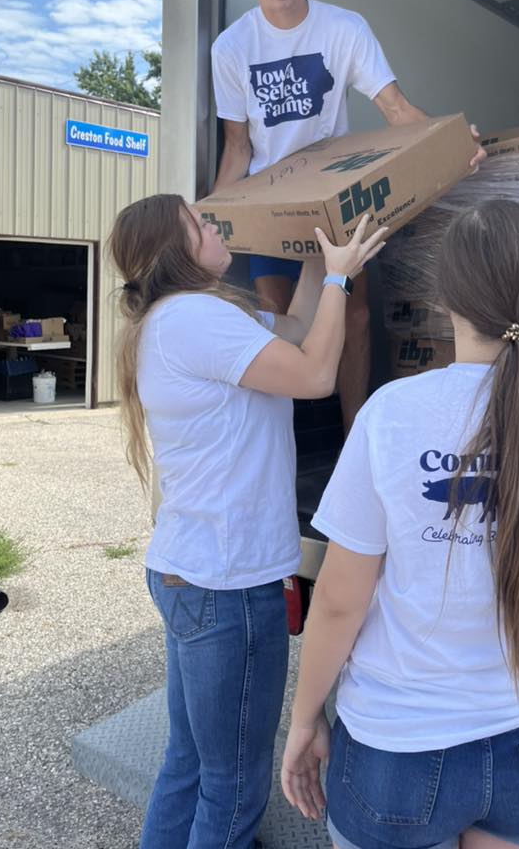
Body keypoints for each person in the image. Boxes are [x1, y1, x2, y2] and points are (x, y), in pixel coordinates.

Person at [280, 199, 519, 849]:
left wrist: (304, 720)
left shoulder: (394, 414)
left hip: (401, 741)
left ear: (445, 297)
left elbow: (338, 602)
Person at [108, 193, 388, 849]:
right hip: (227, 588)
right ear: (179, 251)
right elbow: (318, 372)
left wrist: (321, 257)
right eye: (198, 223)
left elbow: (295, 326)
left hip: (191, 574)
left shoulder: (192, 317)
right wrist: (346, 277)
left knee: (189, 763)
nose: (213, 225)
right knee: (233, 785)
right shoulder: (197, 319)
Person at [211, 0, 478, 432]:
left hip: (334, 203)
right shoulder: (232, 48)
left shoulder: (343, 29)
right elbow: (237, 147)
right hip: (271, 206)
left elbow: (397, 110)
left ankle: (353, 438)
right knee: (276, 322)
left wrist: (450, 145)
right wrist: (214, 220)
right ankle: (280, 446)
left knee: (353, 317)